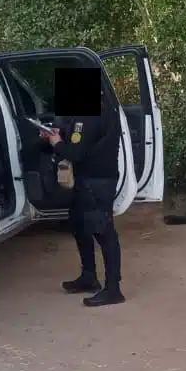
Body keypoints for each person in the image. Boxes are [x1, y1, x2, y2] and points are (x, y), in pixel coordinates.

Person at [38, 110, 124, 306]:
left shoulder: (92, 115)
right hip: (86, 180)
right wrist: (55, 135)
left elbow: (75, 153)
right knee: (79, 225)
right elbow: (77, 141)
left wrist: (56, 142)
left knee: (103, 231)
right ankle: (89, 277)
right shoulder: (81, 115)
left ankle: (113, 289)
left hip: (98, 182)